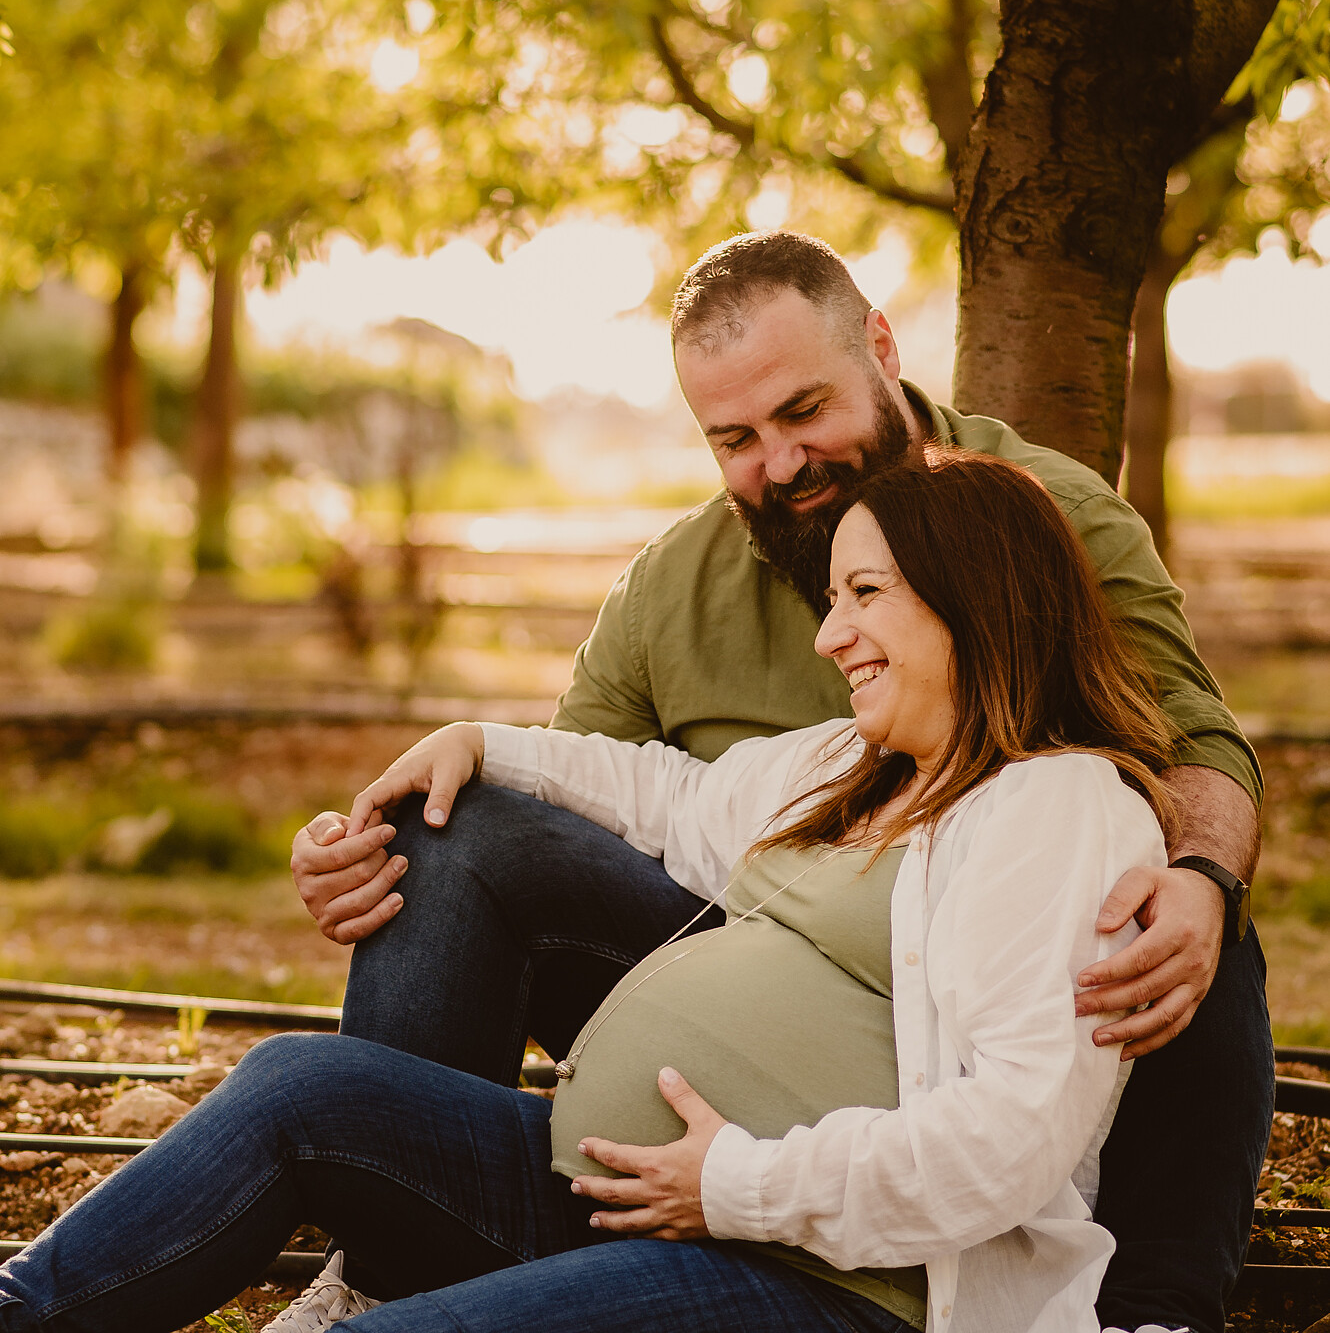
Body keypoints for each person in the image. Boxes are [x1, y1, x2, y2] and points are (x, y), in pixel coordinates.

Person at [291, 231, 1272, 1333]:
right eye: (737, 439)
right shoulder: (669, 587)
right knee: (459, 825)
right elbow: (563, 815)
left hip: (992, 978)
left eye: (805, 411)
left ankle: (1152, 1307)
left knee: (1188, 910)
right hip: (757, 955)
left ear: (882, 350)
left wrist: (1200, 880)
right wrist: (381, 840)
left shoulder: (1045, 513)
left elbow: (1194, 740)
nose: (784, 461)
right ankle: (395, 1250)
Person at [0, 454, 1177, 1333]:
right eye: (832, 598)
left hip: (839, 1282)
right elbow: (666, 791)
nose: (832, 635)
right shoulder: (851, 763)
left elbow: (1009, 1139)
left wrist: (737, 1183)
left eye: (864, 592)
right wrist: (480, 741)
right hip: (628, 1193)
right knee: (295, 1087)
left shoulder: (1056, 806)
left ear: (978, 595)